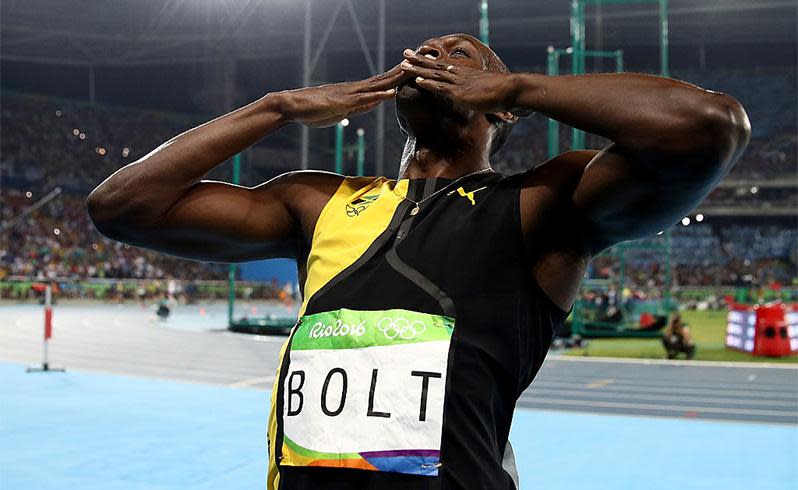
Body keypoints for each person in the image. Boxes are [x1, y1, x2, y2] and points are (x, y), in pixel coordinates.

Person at [86, 33, 749, 490]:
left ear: (501, 106)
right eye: (425, 49)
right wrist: (277, 107)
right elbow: (122, 206)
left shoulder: (540, 203)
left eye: (461, 54)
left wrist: (519, 84)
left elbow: (709, 125)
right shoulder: (318, 200)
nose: (434, 53)